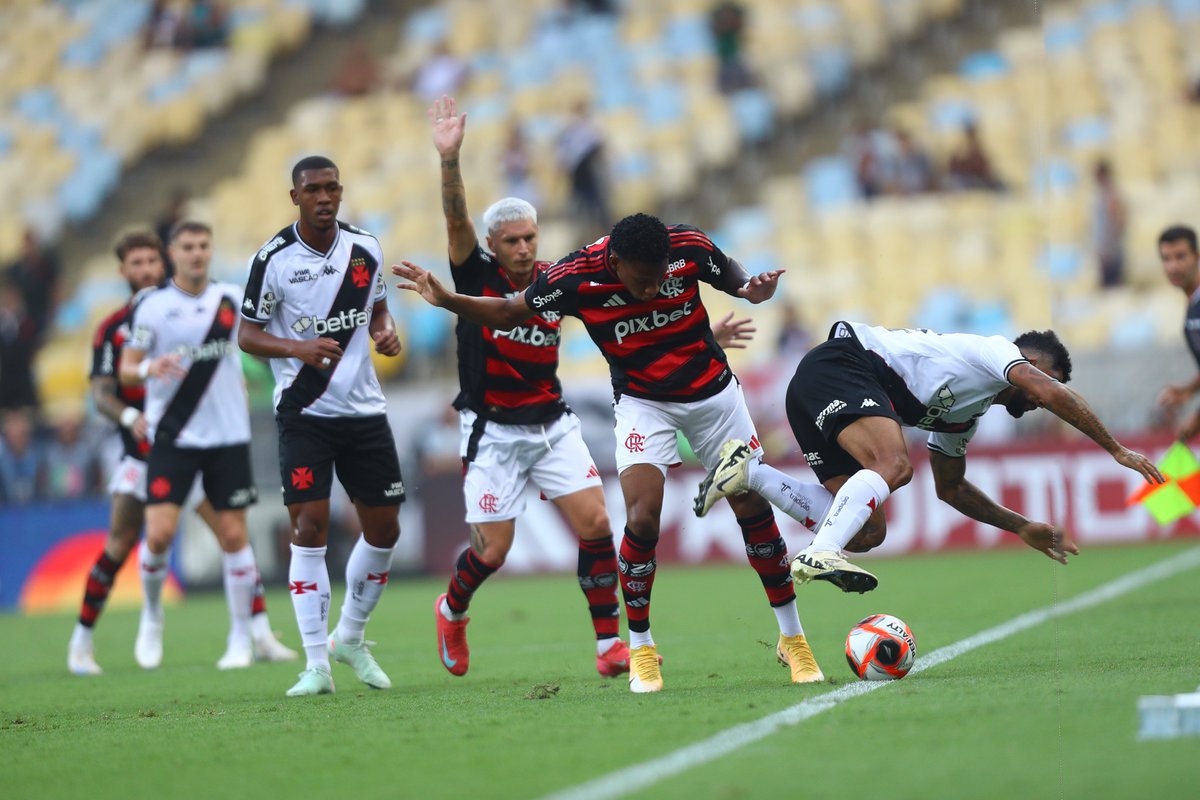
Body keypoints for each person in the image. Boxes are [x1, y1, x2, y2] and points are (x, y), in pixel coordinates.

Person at [395, 212, 822, 694]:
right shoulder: (574, 278)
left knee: (750, 505)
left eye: (660, 278)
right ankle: (640, 648)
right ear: (616, 263)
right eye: (643, 281)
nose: (653, 289)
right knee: (641, 518)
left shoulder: (687, 246)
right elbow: (511, 312)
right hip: (644, 404)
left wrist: (748, 289)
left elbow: (730, 274)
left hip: (715, 398)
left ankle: (793, 638)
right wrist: (448, 300)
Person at [694, 321, 1165, 593]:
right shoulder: (993, 352)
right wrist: (1116, 449)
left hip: (815, 389)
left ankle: (751, 472)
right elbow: (1049, 392)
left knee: (867, 532)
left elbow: (950, 488)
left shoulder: (966, 413)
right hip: (844, 364)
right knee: (895, 465)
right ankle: (819, 552)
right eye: (1050, 379)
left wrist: (1020, 526)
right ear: (1034, 364)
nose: (1044, 399)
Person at [427, 95, 631, 678]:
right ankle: (452, 609)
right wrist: (450, 159)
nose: (522, 248)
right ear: (493, 245)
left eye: (529, 238)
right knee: (493, 552)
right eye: (511, 240)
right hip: (492, 431)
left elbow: (618, 317)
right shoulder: (475, 274)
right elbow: (456, 220)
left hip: (552, 424)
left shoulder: (554, 282)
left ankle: (608, 646)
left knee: (597, 525)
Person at [69, 229, 294, 676]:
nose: (145, 270)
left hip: (206, 442)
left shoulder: (206, 303)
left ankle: (259, 633)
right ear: (123, 270)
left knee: (233, 536)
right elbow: (103, 392)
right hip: (145, 451)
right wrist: (129, 416)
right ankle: (83, 639)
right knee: (128, 541)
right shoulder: (115, 328)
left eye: (151, 261)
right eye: (136, 263)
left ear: (164, 262)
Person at [239, 156, 407, 697]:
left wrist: (384, 332)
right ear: (296, 197)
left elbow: (377, 310)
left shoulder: (366, 248)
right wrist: (298, 349)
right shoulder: (273, 259)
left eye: (332, 188)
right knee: (309, 528)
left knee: (385, 530)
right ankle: (316, 664)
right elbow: (247, 334)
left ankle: (350, 637)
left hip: (364, 411)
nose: (324, 197)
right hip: (305, 413)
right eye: (313, 189)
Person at [118, 221, 272, 672]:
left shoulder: (230, 298)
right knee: (159, 534)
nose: (197, 253)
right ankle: (152, 614)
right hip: (175, 434)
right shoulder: (153, 307)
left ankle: (241, 638)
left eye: (204, 245)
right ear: (173, 253)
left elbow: (255, 345)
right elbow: (126, 368)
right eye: (188, 246)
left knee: (234, 536)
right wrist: (148, 368)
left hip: (228, 434)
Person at [1155, 226, 1200, 440]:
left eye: (1180, 256)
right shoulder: (1193, 307)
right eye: (1166, 259)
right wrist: (1190, 389)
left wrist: (1197, 417)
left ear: (1196, 257)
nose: (1173, 266)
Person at [1091, 159, 1127, 288]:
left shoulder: (1111, 194)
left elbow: (1117, 221)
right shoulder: (1100, 193)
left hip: (1110, 249)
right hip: (1104, 247)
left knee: (1113, 286)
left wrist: (1111, 247)